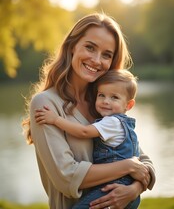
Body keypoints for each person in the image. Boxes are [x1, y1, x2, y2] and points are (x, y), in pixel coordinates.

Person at [22, 12, 155, 209]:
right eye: (90, 47)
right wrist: (128, 167)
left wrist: (133, 190)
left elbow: (143, 160)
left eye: (107, 55)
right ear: (72, 46)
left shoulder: (104, 103)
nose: (96, 60)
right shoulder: (46, 104)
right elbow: (67, 178)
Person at [35, 69, 141, 209]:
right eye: (101, 95)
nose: (105, 101)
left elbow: (84, 131)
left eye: (114, 97)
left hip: (114, 186)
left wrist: (56, 120)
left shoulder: (111, 122)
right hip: (125, 185)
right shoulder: (123, 124)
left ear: (128, 105)